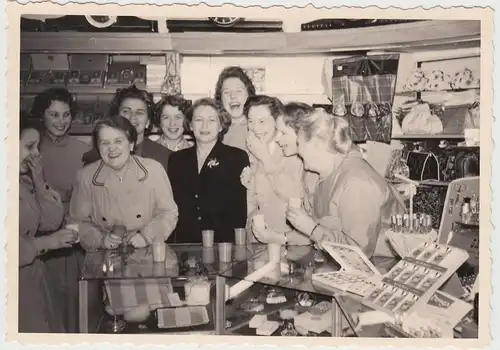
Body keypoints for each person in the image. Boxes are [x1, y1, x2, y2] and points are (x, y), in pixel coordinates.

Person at [285, 109, 406, 258]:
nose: (298, 151)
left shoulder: (356, 182)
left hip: (384, 265)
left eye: (299, 143)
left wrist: (311, 229)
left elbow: (359, 252)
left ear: (316, 145)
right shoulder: (324, 175)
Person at [30, 87, 91, 333]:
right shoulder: (31, 148)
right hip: (40, 237)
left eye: (66, 115)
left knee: (76, 301)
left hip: (74, 237)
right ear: (41, 115)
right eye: (54, 115)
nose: (61, 121)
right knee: (45, 304)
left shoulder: (82, 150)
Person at [69, 116, 178, 251]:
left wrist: (146, 237)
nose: (112, 149)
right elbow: (78, 222)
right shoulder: (86, 176)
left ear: (131, 144)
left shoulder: (153, 170)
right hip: (104, 256)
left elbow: (168, 213)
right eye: (105, 143)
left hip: (148, 251)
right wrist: (101, 240)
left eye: (118, 141)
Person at [18, 116, 79, 333]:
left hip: (33, 277)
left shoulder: (23, 182)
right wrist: (44, 243)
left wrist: (39, 181)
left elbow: (51, 221)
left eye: (37, 147)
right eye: (29, 147)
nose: (36, 153)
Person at [167, 98, 249, 243]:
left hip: (223, 245)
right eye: (198, 120)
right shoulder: (176, 160)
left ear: (220, 126)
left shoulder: (237, 158)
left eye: (211, 120)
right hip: (186, 244)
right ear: (191, 125)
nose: (204, 126)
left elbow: (240, 211)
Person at [242, 95, 311, 246]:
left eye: (262, 121)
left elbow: (294, 195)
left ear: (277, 120)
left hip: (291, 241)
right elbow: (253, 200)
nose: (255, 128)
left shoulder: (294, 151)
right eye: (250, 121)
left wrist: (265, 158)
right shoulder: (252, 150)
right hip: (260, 240)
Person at [82, 85, 172, 171]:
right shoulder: (96, 157)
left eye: (139, 112)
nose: (132, 117)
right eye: (126, 111)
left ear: (148, 121)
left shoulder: (165, 157)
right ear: (116, 117)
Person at [275, 102, 319, 215]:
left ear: (301, 132)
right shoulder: (307, 166)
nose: (277, 138)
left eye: (283, 133)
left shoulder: (316, 171)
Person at [214, 66, 256, 151]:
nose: (232, 96)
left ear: (249, 94)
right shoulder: (213, 131)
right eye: (227, 92)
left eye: (238, 91)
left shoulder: (259, 128)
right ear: (220, 99)